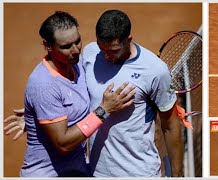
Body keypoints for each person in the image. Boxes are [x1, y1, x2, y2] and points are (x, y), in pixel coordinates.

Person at [4, 10, 183, 177]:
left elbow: (170, 125)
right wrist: (37, 116)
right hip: (96, 172)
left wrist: (177, 176)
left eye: (113, 51)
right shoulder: (90, 54)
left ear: (128, 39)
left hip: (139, 172)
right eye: (101, 48)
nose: (105, 56)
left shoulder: (155, 71)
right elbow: (66, 96)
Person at [12, 11, 135, 177]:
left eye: (77, 41)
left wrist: (36, 115)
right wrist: (104, 110)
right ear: (48, 46)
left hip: (78, 170)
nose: (76, 50)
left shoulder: (77, 65)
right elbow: (63, 144)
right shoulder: (43, 85)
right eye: (66, 47)